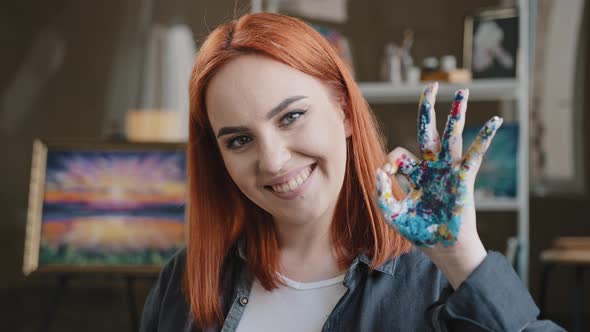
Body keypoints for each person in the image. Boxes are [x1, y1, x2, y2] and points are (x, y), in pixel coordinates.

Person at [140, 12, 564, 332]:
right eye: (238, 140)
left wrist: (462, 259)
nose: (271, 160)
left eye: (291, 117)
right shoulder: (186, 282)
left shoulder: (436, 278)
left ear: (343, 111)